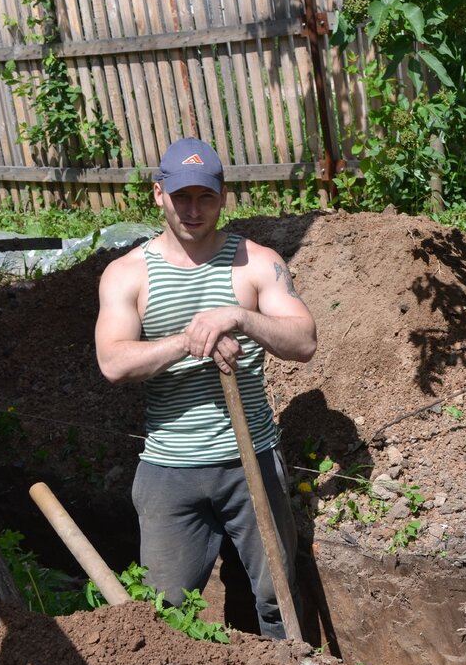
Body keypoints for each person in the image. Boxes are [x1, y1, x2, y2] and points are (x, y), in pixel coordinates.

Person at [95, 137, 316, 639]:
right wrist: (191, 340)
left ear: (222, 197)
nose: (193, 210)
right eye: (181, 198)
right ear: (158, 194)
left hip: (250, 461)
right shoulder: (127, 274)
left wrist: (239, 317)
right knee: (166, 611)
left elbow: (303, 340)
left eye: (205, 198)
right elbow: (112, 361)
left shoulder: (256, 263)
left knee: (278, 598)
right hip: (169, 469)